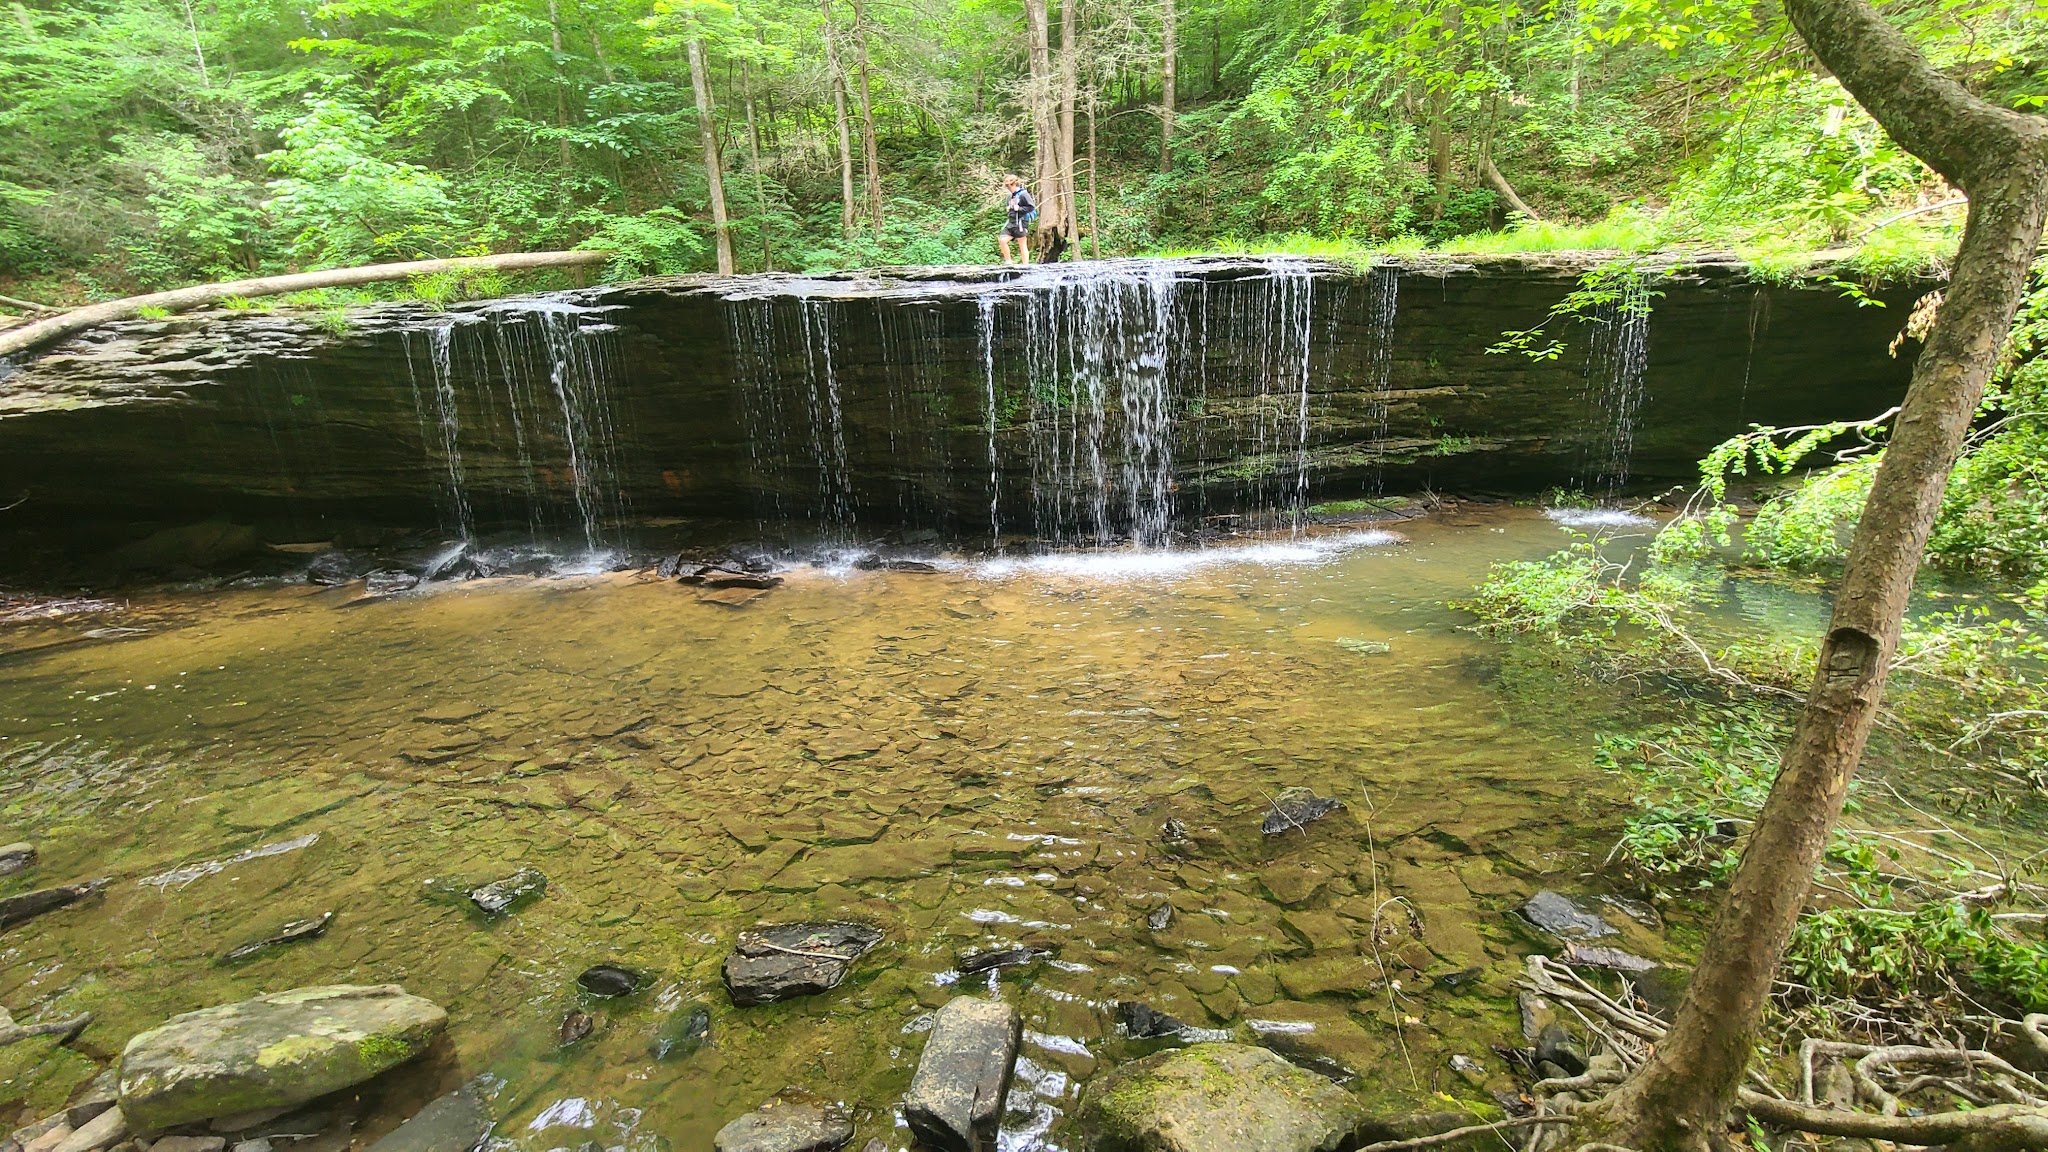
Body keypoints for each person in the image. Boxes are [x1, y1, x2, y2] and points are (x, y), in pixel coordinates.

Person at [998, 175, 1035, 264]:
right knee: (1002, 240)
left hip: (1021, 222)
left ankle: (1025, 266)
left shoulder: (1024, 194)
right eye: (1006, 186)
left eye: (1009, 186)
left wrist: (1019, 209)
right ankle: (1008, 261)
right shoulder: (1010, 196)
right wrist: (1009, 208)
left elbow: (1031, 207)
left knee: (1022, 244)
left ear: (1014, 184)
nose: (1008, 188)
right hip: (1011, 222)